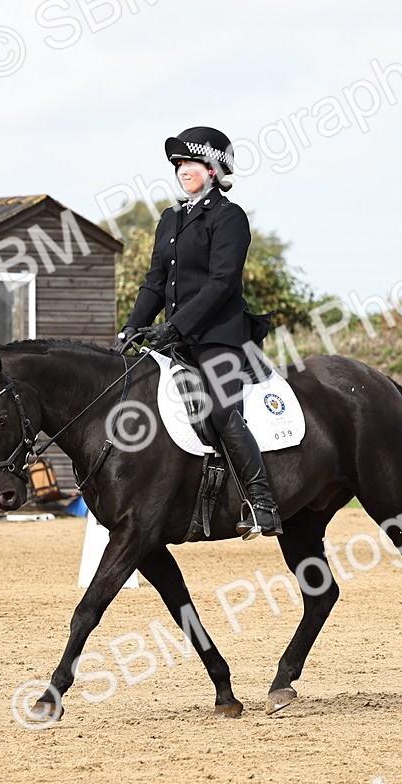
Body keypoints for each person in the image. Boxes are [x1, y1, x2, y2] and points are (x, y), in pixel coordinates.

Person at [116, 126, 281, 538]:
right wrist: (133, 326)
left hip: (219, 336)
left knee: (221, 410)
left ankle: (262, 502)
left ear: (213, 169)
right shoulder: (170, 219)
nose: (182, 169)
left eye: (190, 162)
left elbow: (222, 283)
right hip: (177, 337)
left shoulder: (229, 217)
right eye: (178, 164)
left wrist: (174, 326)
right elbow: (155, 282)